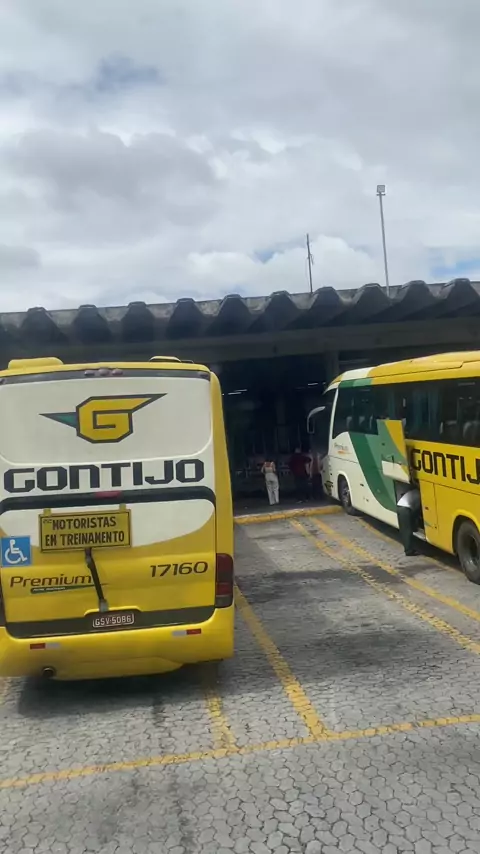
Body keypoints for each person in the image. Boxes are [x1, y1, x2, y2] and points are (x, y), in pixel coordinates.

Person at [396, 487, 421, 556]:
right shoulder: (420, 494)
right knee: (407, 531)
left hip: (400, 507)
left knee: (404, 529)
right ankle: (409, 551)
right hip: (405, 509)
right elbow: (417, 508)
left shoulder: (414, 491)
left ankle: (409, 548)